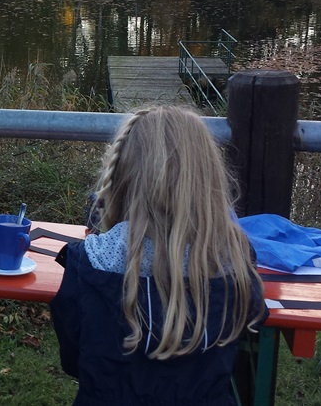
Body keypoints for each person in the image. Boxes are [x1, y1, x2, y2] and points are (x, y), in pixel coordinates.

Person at [50, 105, 267, 405]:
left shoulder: (88, 262)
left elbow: (74, 359)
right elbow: (247, 327)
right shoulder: (235, 261)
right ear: (209, 179)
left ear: (122, 176)